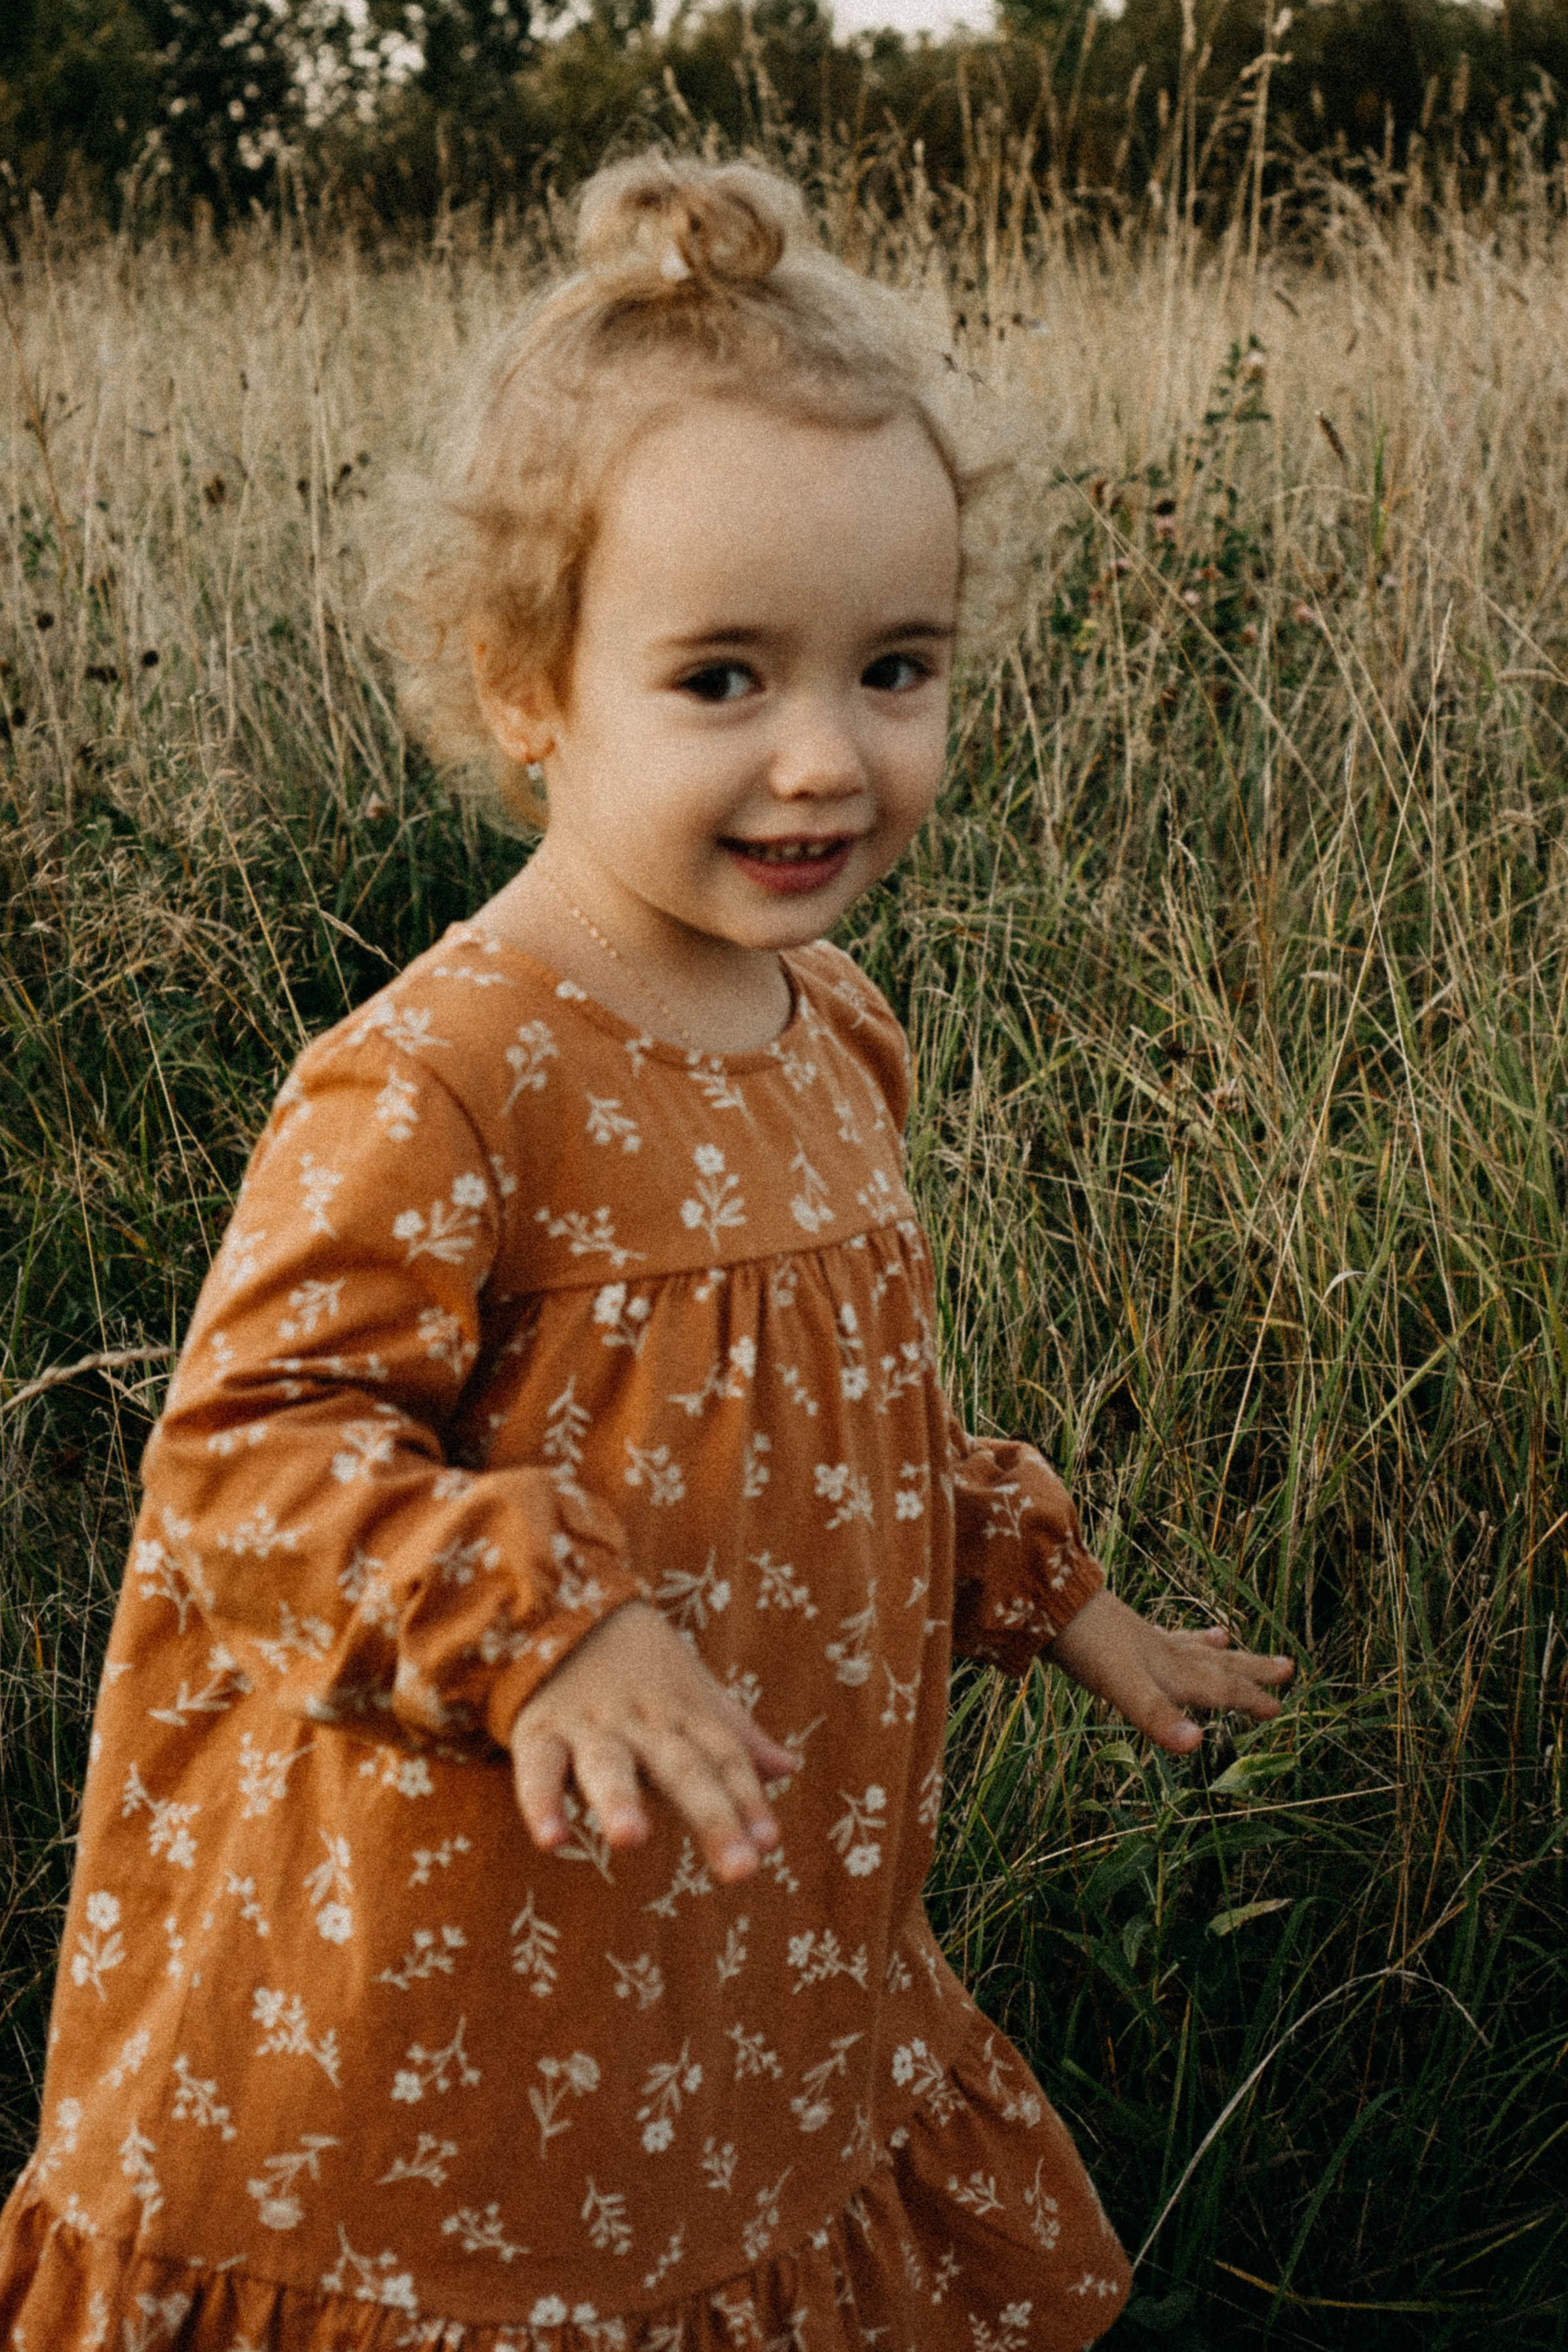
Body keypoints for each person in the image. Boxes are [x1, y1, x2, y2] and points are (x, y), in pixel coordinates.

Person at [0, 153, 1292, 2352]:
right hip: (454, 1983)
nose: (825, 756)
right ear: (527, 685)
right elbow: (244, 1460)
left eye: (895, 667)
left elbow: (840, 1427)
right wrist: (546, 1621)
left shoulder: (834, 1029)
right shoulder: (447, 1073)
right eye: (719, 677)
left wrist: (1051, 1593)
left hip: (735, 1949)